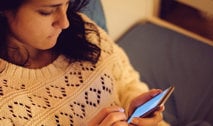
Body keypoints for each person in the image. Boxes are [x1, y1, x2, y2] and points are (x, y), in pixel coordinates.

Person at [0, 0, 168, 125]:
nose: (64, 23)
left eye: (67, 3)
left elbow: (127, 81)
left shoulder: (83, 29)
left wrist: (137, 110)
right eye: (46, 12)